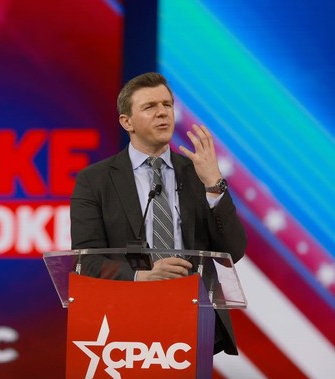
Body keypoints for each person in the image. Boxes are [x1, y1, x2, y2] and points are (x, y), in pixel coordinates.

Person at [70, 72, 247, 355]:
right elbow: (85, 262)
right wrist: (141, 277)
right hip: (121, 325)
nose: (162, 112)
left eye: (167, 104)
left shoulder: (198, 173)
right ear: (126, 122)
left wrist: (214, 185)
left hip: (192, 321)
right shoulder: (95, 180)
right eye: (150, 107)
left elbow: (233, 251)